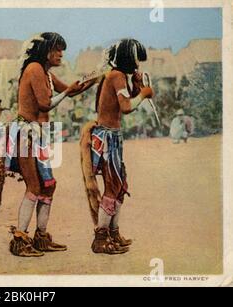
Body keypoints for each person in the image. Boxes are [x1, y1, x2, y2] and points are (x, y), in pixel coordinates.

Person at [5, 32, 95, 257]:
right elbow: (45, 105)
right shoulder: (35, 69)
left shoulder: (45, 72)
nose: (61, 54)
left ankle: (41, 237)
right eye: (57, 49)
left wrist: (95, 78)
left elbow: (71, 91)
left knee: (48, 186)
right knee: (34, 187)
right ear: (46, 51)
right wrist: (66, 91)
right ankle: (19, 239)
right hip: (27, 134)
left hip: (38, 135)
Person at [80, 38, 154, 254]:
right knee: (113, 187)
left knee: (119, 186)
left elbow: (125, 102)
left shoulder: (117, 76)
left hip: (112, 137)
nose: (138, 65)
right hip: (107, 139)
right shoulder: (116, 76)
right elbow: (127, 106)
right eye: (137, 60)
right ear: (128, 58)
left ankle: (113, 232)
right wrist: (145, 93)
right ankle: (101, 238)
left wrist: (138, 86)